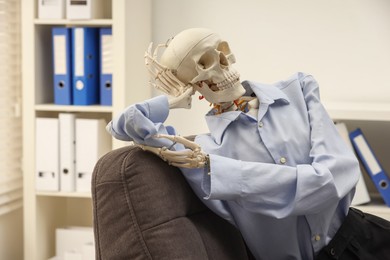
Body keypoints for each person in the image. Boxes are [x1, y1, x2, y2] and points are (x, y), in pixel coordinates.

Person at [106, 28, 389, 259]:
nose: (224, 65)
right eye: (204, 64)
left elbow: (334, 178)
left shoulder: (298, 89)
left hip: (365, 238)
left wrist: (230, 174)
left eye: (223, 53)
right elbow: (124, 123)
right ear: (193, 83)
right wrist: (173, 101)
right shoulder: (202, 153)